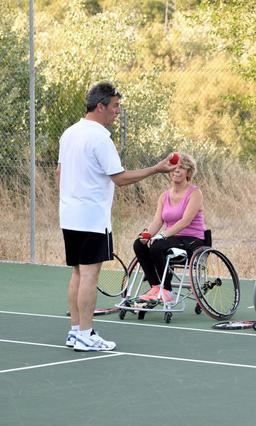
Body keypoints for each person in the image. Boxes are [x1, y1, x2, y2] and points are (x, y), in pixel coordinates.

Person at [57, 82, 177, 352]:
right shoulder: (100, 137)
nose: (117, 112)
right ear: (100, 106)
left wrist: (70, 199)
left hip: (70, 216)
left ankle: (75, 332)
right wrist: (156, 169)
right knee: (89, 275)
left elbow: (59, 175)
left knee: (77, 272)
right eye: (115, 106)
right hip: (91, 219)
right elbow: (120, 178)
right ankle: (86, 334)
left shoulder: (69, 133)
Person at [133, 153, 206, 302]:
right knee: (139, 244)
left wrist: (162, 235)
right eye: (174, 167)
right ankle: (155, 286)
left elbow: (185, 221)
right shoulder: (164, 196)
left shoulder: (195, 193)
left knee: (157, 246)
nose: (176, 171)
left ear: (189, 172)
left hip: (192, 240)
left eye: (181, 168)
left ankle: (167, 290)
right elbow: (157, 222)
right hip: (171, 238)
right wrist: (147, 235)